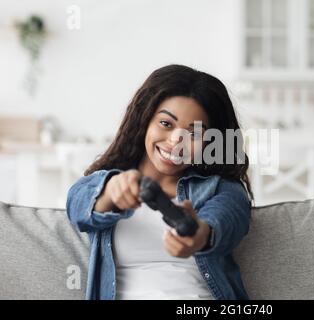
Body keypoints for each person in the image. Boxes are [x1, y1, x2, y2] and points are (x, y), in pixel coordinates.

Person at [66, 64, 253, 300]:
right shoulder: (104, 183)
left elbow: (229, 219)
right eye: (166, 123)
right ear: (144, 120)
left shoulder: (222, 189)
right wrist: (110, 192)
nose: (177, 140)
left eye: (194, 133)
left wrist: (201, 235)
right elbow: (76, 204)